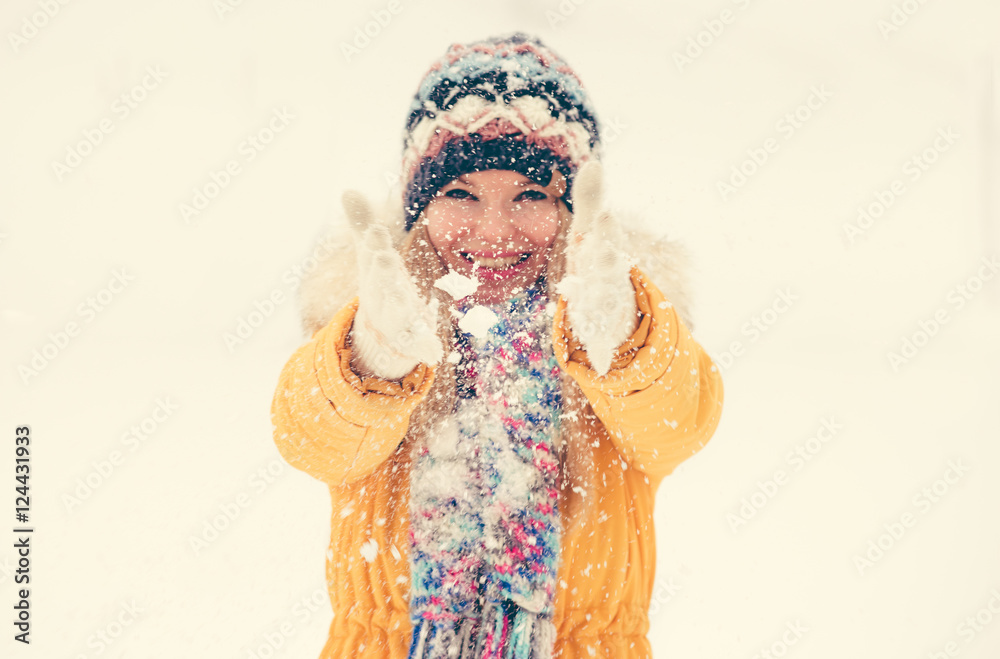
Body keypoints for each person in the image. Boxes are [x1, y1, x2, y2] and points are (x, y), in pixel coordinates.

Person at [271, 32, 724, 659]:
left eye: (531, 195)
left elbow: (682, 420)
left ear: (574, 208)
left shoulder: (617, 336)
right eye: (460, 193)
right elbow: (310, 439)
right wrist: (373, 359)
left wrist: (621, 340)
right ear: (417, 208)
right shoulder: (373, 323)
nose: (493, 231)